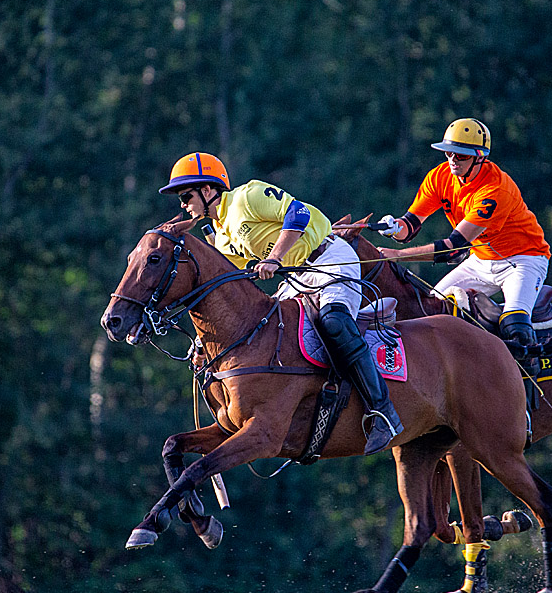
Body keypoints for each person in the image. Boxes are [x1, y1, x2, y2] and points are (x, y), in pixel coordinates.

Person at [159, 152, 403, 455]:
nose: (183, 205)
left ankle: (383, 411)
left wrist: (273, 258)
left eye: (186, 196)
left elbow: (298, 213)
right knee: (269, 330)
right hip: (300, 276)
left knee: (334, 322)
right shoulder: (219, 237)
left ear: (208, 190)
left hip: (328, 258)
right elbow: (230, 292)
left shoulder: (246, 197)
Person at [377, 118, 551, 405]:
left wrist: (397, 256)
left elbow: (452, 248)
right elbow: (412, 223)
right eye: (448, 153)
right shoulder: (440, 176)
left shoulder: (495, 190)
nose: (452, 160)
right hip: (482, 260)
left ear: (479, 158)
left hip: (523, 259)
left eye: (461, 156)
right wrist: (397, 229)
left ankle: (527, 404)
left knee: (515, 326)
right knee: (429, 312)